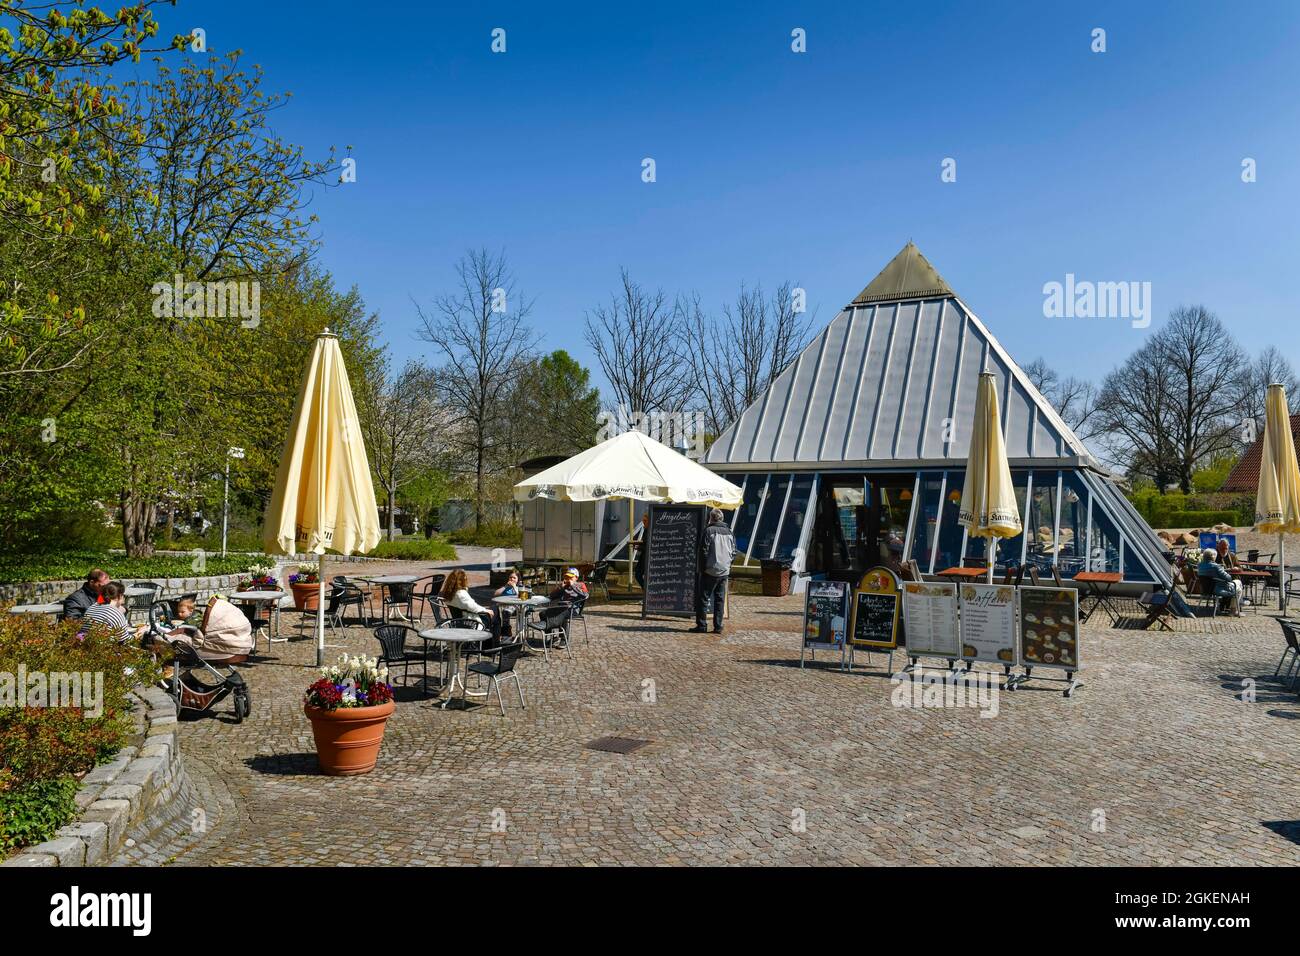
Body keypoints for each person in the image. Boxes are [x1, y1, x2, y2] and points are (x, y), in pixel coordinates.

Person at [691, 508, 736, 634]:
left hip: (710, 570)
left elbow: (703, 551)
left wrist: (703, 568)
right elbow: (734, 552)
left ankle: (702, 625)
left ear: (711, 518)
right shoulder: (729, 532)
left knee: (703, 598)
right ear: (721, 518)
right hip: (724, 571)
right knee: (719, 599)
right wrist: (728, 565)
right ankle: (718, 626)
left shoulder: (709, 530)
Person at [80, 581, 147, 643]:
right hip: (106, 651)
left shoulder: (92, 607)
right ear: (120, 596)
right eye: (123, 595)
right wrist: (140, 632)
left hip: (87, 647)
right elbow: (125, 641)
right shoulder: (115, 612)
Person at [440, 568, 499, 635]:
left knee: (493, 610)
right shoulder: (460, 593)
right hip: (471, 622)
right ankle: (497, 640)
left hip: (457, 621)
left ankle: (496, 638)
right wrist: (486, 610)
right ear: (462, 580)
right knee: (495, 609)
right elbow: (473, 607)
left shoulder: (448, 593)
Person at [1197, 549, 1242, 616]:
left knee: (1236, 585)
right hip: (1219, 589)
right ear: (1213, 557)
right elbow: (1228, 578)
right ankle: (1233, 610)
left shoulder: (1200, 565)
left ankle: (1232, 606)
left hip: (1206, 589)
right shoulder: (1216, 566)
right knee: (1239, 584)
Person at [634, 514, 649, 589]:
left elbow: (648, 546)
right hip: (644, 556)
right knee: (638, 574)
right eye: (643, 520)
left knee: (638, 574)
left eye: (645, 521)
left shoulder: (650, 531)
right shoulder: (646, 530)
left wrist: (640, 547)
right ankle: (645, 590)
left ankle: (646, 590)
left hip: (646, 557)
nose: (643, 522)